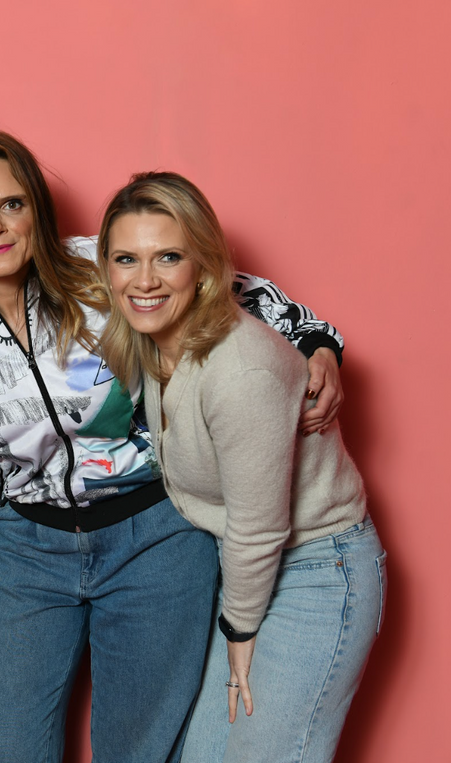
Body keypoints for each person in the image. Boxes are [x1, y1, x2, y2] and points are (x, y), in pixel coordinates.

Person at [0, 132, 347, 763]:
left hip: (153, 540)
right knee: (6, 750)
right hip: (32, 555)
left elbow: (222, 287)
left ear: (36, 208)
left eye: (11, 204)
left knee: (136, 752)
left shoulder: (99, 268)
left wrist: (316, 344)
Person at [97, 171, 385, 763]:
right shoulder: (154, 343)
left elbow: (258, 527)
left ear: (202, 266)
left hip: (315, 570)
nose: (144, 279)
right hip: (247, 570)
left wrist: (240, 631)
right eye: (127, 258)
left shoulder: (240, 368)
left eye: (168, 257)